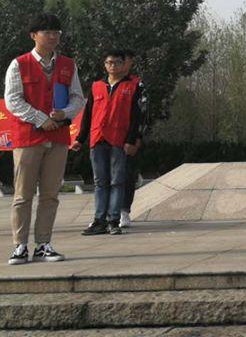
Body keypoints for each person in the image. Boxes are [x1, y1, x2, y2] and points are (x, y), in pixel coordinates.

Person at [4, 13, 85, 264]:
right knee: (23, 195)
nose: (53, 36)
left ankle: (43, 244)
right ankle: (20, 245)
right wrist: (40, 119)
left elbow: (77, 97)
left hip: (58, 137)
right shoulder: (19, 64)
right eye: (47, 32)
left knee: (50, 194)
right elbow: (13, 100)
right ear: (34, 35)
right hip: (28, 138)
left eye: (56, 32)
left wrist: (65, 113)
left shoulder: (68, 65)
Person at [72, 49, 144, 235]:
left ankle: (114, 220)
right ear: (105, 65)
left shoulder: (132, 87)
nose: (113, 66)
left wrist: (131, 140)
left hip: (119, 140)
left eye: (117, 62)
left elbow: (136, 116)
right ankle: (99, 220)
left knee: (117, 181)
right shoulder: (97, 86)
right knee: (100, 182)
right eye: (109, 62)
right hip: (98, 139)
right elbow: (88, 114)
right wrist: (80, 138)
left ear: (123, 64)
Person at [118, 49, 148, 228]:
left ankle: (123, 211)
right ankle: (105, 213)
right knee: (105, 177)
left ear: (130, 62)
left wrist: (137, 137)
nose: (120, 64)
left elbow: (142, 114)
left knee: (127, 174)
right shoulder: (103, 84)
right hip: (107, 138)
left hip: (128, 138)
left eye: (125, 60)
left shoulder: (137, 85)